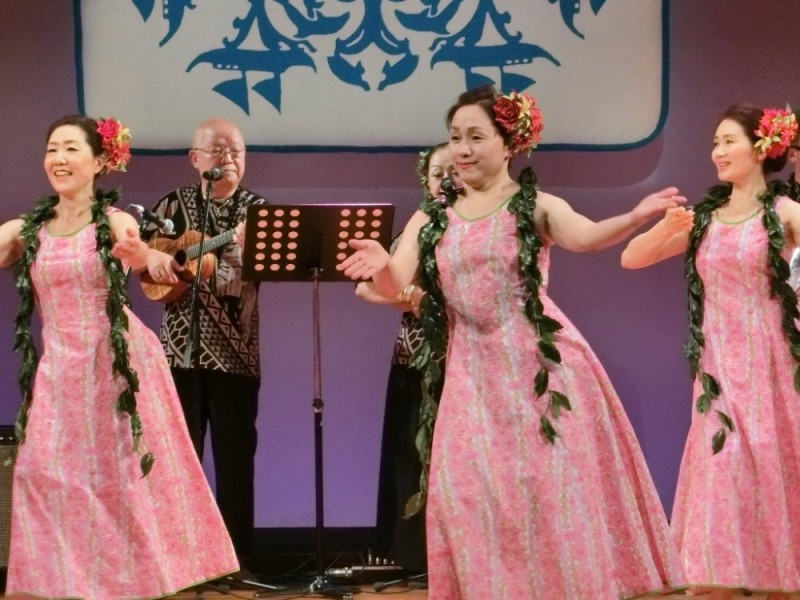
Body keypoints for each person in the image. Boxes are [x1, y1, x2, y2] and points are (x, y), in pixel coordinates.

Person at [337, 85, 686, 599]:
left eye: (476, 137)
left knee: (543, 494)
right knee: (466, 493)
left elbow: (586, 236)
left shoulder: (534, 206)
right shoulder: (432, 215)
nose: (462, 149)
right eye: (456, 137)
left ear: (509, 143)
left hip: (537, 369)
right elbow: (396, 283)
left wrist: (635, 217)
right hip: (470, 374)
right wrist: (382, 264)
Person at [0, 115, 238, 599]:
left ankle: (128, 583)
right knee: (37, 473)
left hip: (112, 363)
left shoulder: (113, 222)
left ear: (99, 162)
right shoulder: (28, 229)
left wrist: (152, 259)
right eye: (52, 149)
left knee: (118, 482)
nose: (59, 159)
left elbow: (143, 256)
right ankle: (61, 583)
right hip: (59, 368)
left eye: (71, 149)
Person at [621, 103, 800, 600]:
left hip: (772, 360)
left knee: (769, 464)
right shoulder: (704, 219)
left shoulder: (785, 213)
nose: (717, 151)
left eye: (728, 141)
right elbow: (632, 258)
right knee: (723, 464)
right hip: (719, 363)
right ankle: (718, 576)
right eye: (715, 142)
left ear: (761, 148)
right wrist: (665, 228)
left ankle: (779, 577)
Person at [142, 117, 267, 572]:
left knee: (235, 464)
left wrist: (230, 258)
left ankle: (238, 561)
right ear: (195, 159)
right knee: (179, 463)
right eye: (218, 149)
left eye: (236, 150)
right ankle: (181, 563)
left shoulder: (257, 211)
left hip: (236, 353)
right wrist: (160, 264)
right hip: (178, 354)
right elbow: (144, 265)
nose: (229, 157)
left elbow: (252, 275)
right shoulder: (169, 206)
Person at [356, 143, 452, 576]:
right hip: (414, 355)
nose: (446, 179)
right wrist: (412, 295)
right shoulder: (419, 225)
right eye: (437, 173)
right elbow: (367, 285)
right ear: (425, 181)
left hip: (464, 358)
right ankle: (411, 556)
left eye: (452, 170)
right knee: (408, 456)